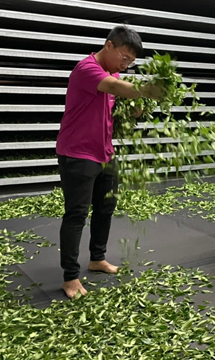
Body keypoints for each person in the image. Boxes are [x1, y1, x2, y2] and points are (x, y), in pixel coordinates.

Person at [56, 25, 163, 299]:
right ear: (109, 46)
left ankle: (97, 258)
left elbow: (116, 105)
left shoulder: (114, 73)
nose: (126, 65)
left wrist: (135, 108)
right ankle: (70, 277)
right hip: (78, 153)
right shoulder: (87, 69)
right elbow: (114, 86)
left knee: (105, 206)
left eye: (131, 61)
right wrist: (143, 90)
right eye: (124, 58)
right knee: (76, 214)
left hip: (104, 151)